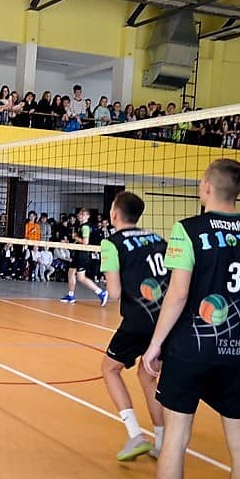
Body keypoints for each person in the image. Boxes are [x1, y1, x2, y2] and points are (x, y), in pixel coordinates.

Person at [142, 159, 240, 479]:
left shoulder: (187, 230)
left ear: (206, 187)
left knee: (175, 439)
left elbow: (177, 295)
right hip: (236, 351)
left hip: (189, 349)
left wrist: (155, 345)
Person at [99, 191, 167, 461]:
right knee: (147, 375)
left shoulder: (111, 244)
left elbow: (114, 293)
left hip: (138, 320)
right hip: (166, 320)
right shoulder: (158, 239)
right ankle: (162, 442)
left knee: (109, 369)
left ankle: (135, 435)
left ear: (115, 213)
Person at [59, 208, 108, 305]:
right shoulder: (80, 226)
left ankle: (101, 293)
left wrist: (75, 237)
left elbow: (85, 242)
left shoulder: (85, 227)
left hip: (82, 254)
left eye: (83, 214)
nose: (81, 216)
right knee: (71, 273)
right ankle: (71, 295)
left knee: (81, 277)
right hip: (78, 253)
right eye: (80, 214)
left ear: (88, 216)